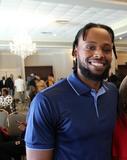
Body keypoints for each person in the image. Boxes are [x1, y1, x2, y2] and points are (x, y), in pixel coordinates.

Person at [25, 23, 118, 160]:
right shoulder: (46, 101)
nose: (99, 54)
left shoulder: (112, 93)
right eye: (90, 47)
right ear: (75, 52)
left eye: (106, 49)